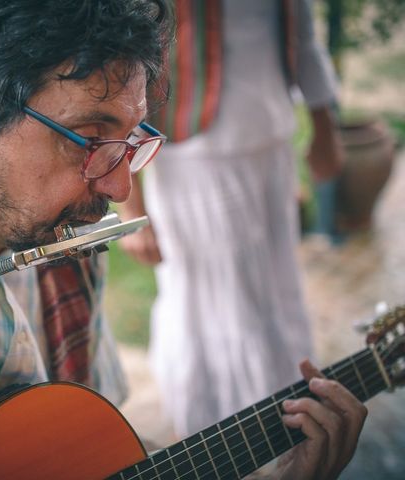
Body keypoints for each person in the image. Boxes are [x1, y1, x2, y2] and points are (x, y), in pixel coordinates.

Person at [0, 0, 365, 478]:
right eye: (88, 137)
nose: (121, 189)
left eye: (131, 143)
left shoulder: (69, 236)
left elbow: (90, 453)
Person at [119, 0, 346, 442]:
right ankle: (225, 438)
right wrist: (132, 206)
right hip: (194, 158)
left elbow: (301, 33)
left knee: (276, 289)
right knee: (219, 301)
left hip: (270, 143)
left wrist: (325, 126)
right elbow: (130, 55)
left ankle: (287, 423)